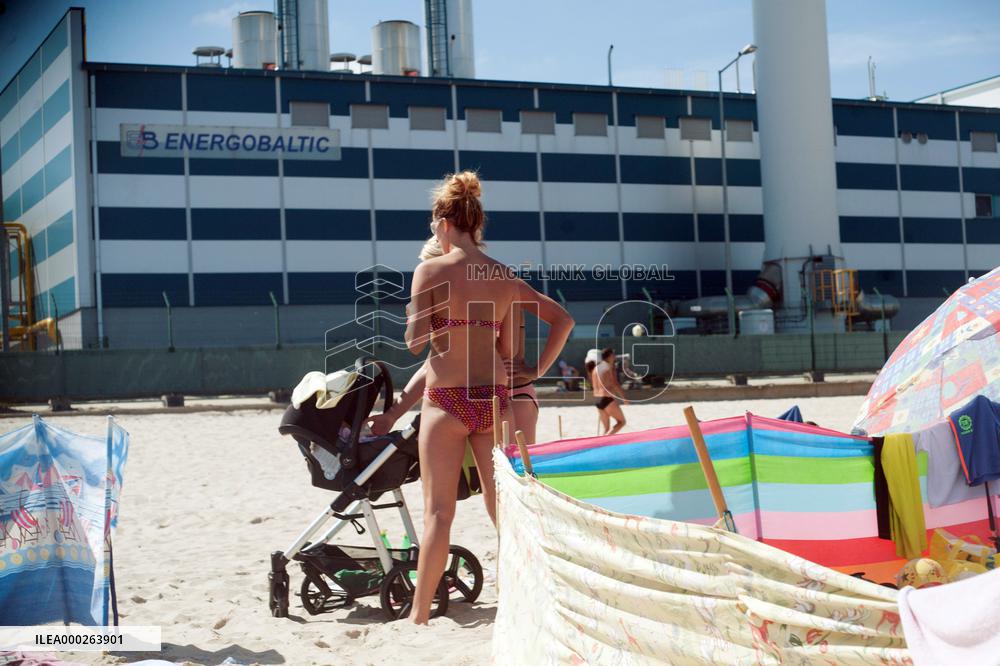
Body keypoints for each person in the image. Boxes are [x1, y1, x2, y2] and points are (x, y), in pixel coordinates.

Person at [403, 171, 518, 625]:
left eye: (434, 224)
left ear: (443, 222)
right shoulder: (504, 275)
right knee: (503, 510)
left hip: (447, 398)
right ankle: (520, 594)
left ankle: (418, 617)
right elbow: (506, 351)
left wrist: (421, 315)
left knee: (438, 515)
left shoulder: (429, 270)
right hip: (492, 397)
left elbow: (414, 343)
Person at [591, 347, 627, 435]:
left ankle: (602, 444)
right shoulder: (609, 367)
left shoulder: (596, 368)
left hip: (597, 399)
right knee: (622, 422)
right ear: (609, 356)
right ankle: (605, 440)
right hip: (606, 398)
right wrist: (624, 398)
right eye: (613, 355)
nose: (615, 356)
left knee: (606, 428)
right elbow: (615, 383)